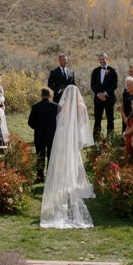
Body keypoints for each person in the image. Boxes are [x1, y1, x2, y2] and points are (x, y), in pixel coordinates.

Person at [40, 84, 94, 229]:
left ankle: (67, 183)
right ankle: (74, 182)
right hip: (76, 136)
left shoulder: (63, 106)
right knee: (76, 159)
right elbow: (83, 123)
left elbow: (59, 121)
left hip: (65, 136)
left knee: (67, 160)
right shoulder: (81, 106)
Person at [28, 87, 59, 181]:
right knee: (51, 156)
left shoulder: (35, 106)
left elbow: (30, 122)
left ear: (41, 96)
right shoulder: (56, 106)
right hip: (52, 135)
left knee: (40, 156)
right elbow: (60, 122)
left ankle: (40, 176)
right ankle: (50, 176)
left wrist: (37, 128)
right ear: (50, 95)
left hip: (39, 135)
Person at [90, 52, 118, 140]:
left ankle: (110, 138)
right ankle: (96, 138)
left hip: (109, 99)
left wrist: (105, 93)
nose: (102, 61)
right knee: (97, 120)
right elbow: (92, 85)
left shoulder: (112, 71)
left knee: (110, 119)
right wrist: (98, 94)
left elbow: (114, 85)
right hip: (98, 99)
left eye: (103, 59)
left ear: (107, 58)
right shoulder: (95, 71)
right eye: (100, 59)